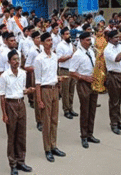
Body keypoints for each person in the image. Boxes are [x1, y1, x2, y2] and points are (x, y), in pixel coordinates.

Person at [0, 50, 33, 175]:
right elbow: (2, 96)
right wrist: (4, 114)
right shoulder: (4, 76)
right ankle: (12, 164)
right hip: (10, 104)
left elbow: (22, 90)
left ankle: (21, 161)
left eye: (18, 59)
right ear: (8, 61)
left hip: (21, 104)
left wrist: (28, 91)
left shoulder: (23, 74)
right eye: (13, 59)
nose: (16, 62)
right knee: (12, 135)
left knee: (21, 134)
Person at [34, 32, 66, 162]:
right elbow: (38, 81)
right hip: (45, 90)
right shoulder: (39, 59)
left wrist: (58, 81)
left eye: (51, 40)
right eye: (47, 40)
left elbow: (53, 74)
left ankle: (54, 145)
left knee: (54, 119)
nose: (50, 43)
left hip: (54, 89)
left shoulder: (54, 56)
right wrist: (39, 99)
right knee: (46, 121)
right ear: (42, 43)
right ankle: (47, 149)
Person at [70, 32, 99, 148]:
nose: (90, 42)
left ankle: (90, 134)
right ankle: (84, 136)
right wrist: (83, 77)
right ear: (81, 40)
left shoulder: (91, 51)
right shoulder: (77, 54)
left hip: (93, 82)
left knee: (92, 109)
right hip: (83, 84)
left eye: (90, 39)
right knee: (85, 110)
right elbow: (72, 72)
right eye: (87, 40)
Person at [104, 30, 121, 135]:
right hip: (114, 76)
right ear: (110, 39)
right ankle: (114, 124)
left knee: (119, 100)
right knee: (114, 101)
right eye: (115, 37)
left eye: (118, 37)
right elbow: (117, 58)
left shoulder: (120, 46)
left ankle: (118, 121)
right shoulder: (107, 49)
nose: (118, 39)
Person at [24, 31, 43, 131]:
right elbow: (26, 66)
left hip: (43, 75)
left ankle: (43, 118)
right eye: (37, 38)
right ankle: (39, 121)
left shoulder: (42, 48)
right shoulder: (32, 51)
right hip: (35, 75)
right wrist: (36, 68)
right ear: (33, 39)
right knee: (37, 98)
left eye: (40, 38)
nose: (39, 40)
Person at [57, 27, 77, 119]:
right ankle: (66, 110)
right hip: (64, 70)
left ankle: (71, 108)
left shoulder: (70, 44)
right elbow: (59, 59)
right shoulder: (60, 45)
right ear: (62, 36)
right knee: (65, 91)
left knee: (71, 91)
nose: (69, 35)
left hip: (72, 70)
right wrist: (70, 56)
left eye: (69, 33)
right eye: (66, 34)